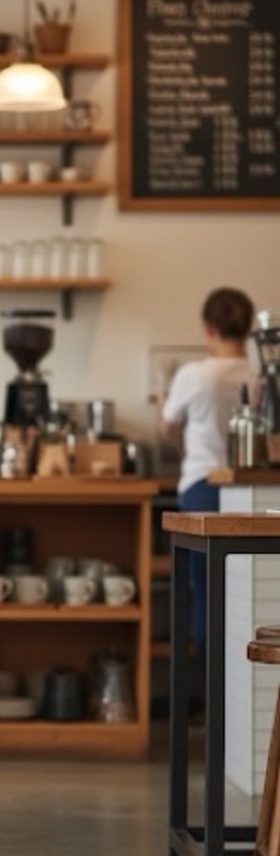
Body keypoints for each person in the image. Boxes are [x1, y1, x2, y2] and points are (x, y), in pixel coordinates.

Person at [159, 286, 255, 674]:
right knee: (249, 592)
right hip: (252, 491)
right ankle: (243, 692)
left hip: (202, 487)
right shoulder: (260, 374)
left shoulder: (194, 375)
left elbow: (168, 427)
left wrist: (162, 407)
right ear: (248, 328)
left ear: (207, 328)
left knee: (205, 590)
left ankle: (210, 692)